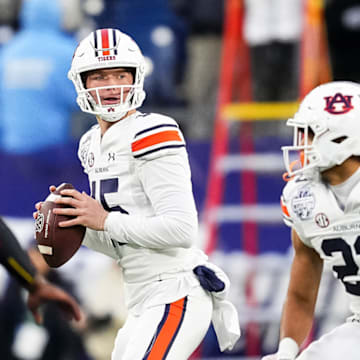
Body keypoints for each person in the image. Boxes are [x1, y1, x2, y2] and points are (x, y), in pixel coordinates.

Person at [34, 28, 240, 359]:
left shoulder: (152, 131)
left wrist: (102, 220)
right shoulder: (90, 143)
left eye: (120, 74)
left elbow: (181, 230)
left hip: (176, 291)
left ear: (137, 77)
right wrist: (74, 223)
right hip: (141, 299)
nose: (112, 84)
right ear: (81, 83)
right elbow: (122, 244)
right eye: (99, 76)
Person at [262, 81, 360, 360]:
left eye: (307, 133)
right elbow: (302, 295)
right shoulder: (303, 196)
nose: (300, 143)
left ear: (342, 138)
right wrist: (286, 351)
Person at [0, 216, 81, 324]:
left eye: (40, 255)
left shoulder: (60, 285)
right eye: (33, 253)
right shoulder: (15, 282)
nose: (35, 259)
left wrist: (35, 284)